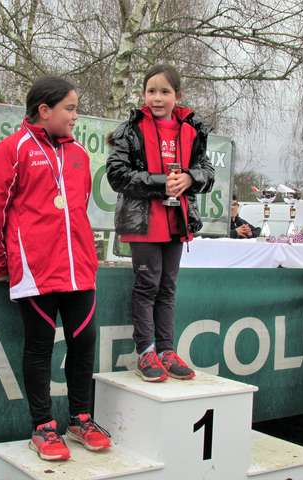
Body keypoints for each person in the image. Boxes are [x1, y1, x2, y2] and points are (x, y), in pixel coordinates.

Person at [0, 77, 111, 462]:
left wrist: (85, 256)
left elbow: (78, 209)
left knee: (84, 341)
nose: (75, 116)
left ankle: (80, 419)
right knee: (40, 346)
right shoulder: (12, 150)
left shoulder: (79, 154)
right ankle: (43, 426)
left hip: (78, 267)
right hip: (35, 268)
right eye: (70, 108)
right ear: (44, 110)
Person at [106, 64, 214, 382]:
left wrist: (190, 178)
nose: (157, 97)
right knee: (147, 286)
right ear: (143, 94)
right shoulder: (130, 130)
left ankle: (167, 350)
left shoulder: (192, 129)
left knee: (167, 288)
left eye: (164, 92)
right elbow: (116, 175)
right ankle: (146, 352)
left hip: (177, 221)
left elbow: (207, 172)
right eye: (151, 91)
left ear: (177, 96)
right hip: (143, 222)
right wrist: (160, 183)